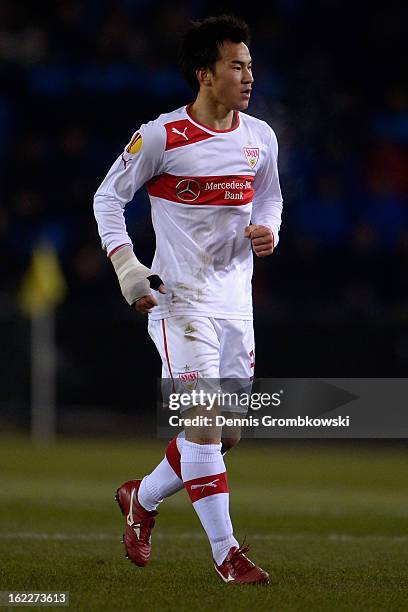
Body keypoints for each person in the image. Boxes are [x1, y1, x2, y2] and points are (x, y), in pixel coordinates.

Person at [93, 14, 283, 585]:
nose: (248, 75)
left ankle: (141, 498)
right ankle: (227, 554)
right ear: (205, 74)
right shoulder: (161, 137)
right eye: (236, 65)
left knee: (225, 436)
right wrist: (128, 268)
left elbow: (270, 199)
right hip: (179, 302)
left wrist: (269, 231)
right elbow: (108, 198)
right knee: (204, 423)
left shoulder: (260, 137)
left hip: (235, 304)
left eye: (250, 65)